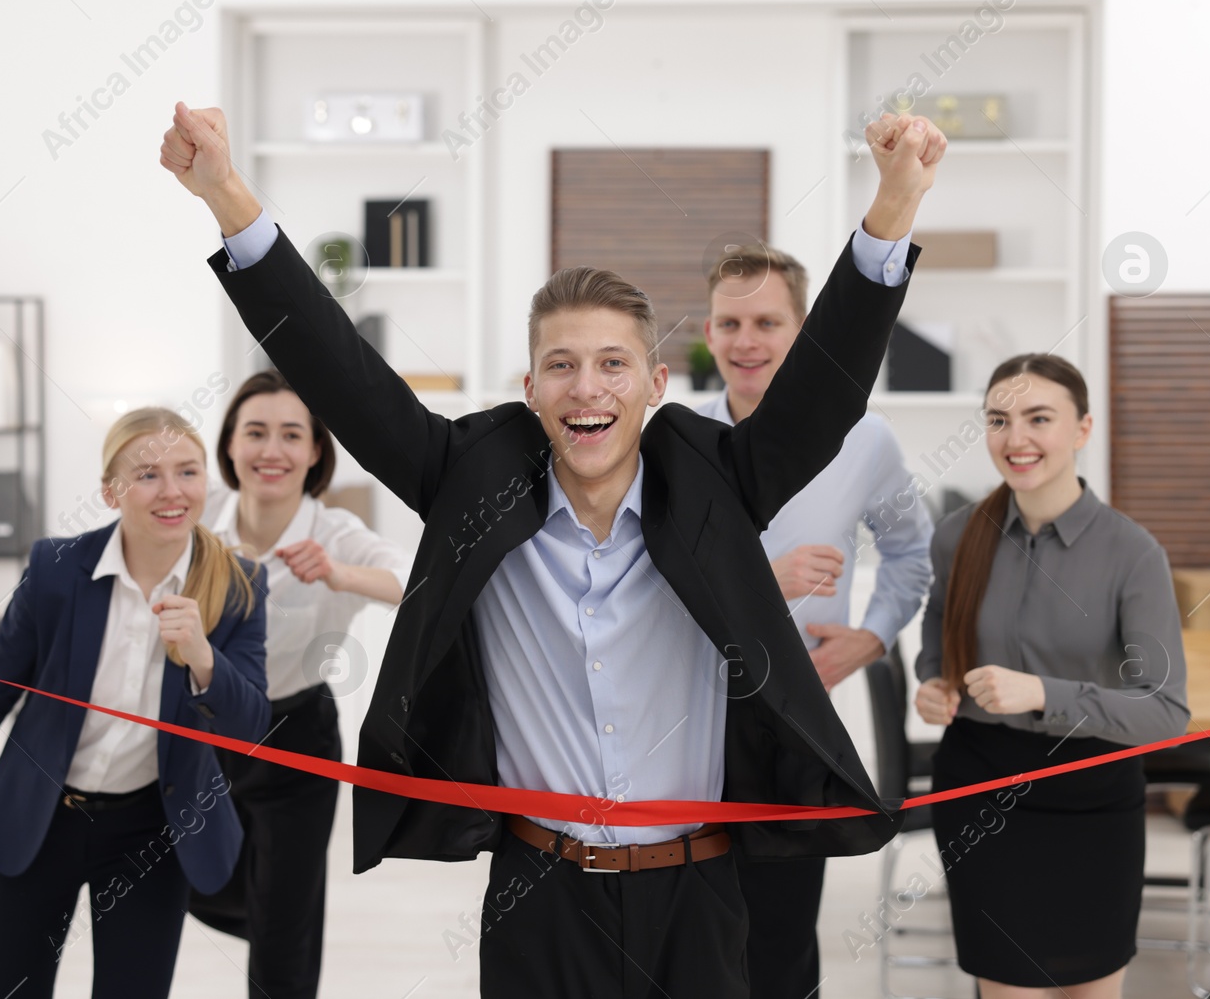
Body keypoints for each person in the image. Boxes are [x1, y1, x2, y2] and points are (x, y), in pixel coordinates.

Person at [160, 99, 947, 997]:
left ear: (654, 383)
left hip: (698, 893)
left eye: (614, 363)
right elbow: (343, 375)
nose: (588, 387)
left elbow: (822, 392)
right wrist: (225, 193)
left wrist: (892, 210)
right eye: (563, 365)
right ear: (530, 386)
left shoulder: (715, 476)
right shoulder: (471, 473)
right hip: (537, 895)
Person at [0, 408, 271, 999]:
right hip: (42, 816)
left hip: (152, 829)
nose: (172, 492)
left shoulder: (238, 582)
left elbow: (251, 725)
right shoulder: (56, 569)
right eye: (148, 475)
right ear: (111, 491)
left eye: (188, 472)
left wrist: (203, 656)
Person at [697, 240, 934, 997]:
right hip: (680, 714)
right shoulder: (673, 439)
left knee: (782, 935)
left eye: (768, 321)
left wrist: (869, 637)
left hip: (793, 727)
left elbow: (909, 554)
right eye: (730, 322)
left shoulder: (865, 440)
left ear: (802, 331)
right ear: (707, 333)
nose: (747, 341)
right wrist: (757, 581)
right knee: (690, 926)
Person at [913, 354, 1188, 999]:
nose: (1017, 440)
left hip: (1091, 799)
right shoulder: (957, 536)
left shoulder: (1133, 553)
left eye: (1040, 418)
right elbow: (937, 633)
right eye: (999, 420)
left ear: (1082, 429)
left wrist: (1045, 695)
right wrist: (934, 683)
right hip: (981, 794)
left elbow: (1166, 714)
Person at [188, 369, 411, 999]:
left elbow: (411, 581)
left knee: (285, 928)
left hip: (296, 738)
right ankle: (266, 914)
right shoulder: (198, 516)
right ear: (230, 444)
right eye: (255, 432)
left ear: (315, 452)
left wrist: (339, 573)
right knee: (193, 878)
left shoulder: (334, 532)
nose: (272, 450)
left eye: (292, 435)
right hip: (203, 728)